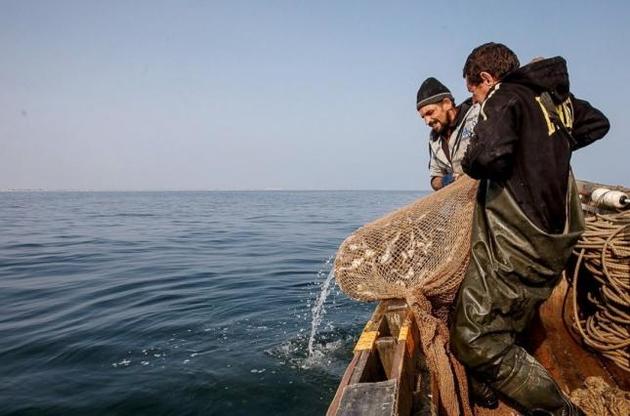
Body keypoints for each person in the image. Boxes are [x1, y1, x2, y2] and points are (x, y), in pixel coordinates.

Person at [450, 43, 610, 416]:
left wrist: (482, 151)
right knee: (479, 306)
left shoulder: (504, 96)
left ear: (486, 79)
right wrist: (550, 146)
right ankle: (487, 382)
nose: (473, 102)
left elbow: (484, 158)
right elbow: (598, 123)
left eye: (474, 92)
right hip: (555, 239)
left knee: (474, 340)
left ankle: (561, 411)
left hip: (520, 240)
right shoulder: (556, 101)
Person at [416, 77, 480, 191]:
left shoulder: (476, 114)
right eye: (423, 117)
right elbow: (435, 178)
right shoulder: (434, 139)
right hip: (462, 202)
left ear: (447, 103)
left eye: (430, 113)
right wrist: (447, 180)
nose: (427, 121)